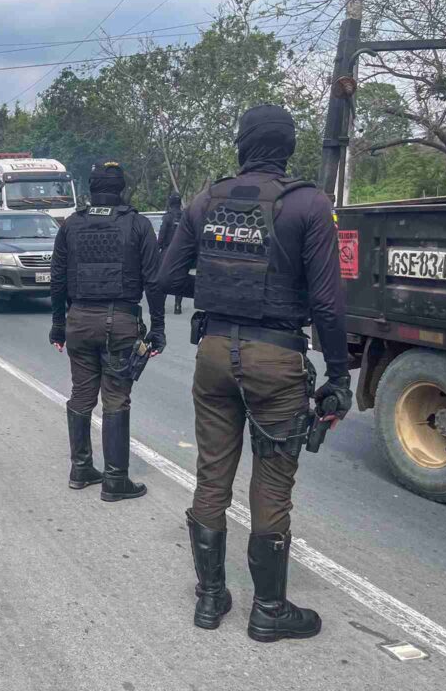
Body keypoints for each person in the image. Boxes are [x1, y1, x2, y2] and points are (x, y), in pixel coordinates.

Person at [158, 104, 352, 641]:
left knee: (211, 475)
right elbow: (329, 304)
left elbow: (167, 275)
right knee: (272, 485)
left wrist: (223, 290)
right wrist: (339, 375)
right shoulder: (309, 203)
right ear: (288, 148)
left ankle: (210, 599)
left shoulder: (206, 200)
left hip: (215, 351)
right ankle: (268, 609)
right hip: (277, 359)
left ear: (241, 146)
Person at [49, 161, 166, 501]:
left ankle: (81, 468)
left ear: (90, 188)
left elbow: (57, 279)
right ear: (122, 189)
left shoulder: (71, 225)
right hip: (120, 322)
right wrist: (157, 328)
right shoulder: (138, 225)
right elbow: (154, 281)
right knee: (116, 397)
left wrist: (58, 324)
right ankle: (115, 480)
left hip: (79, 321)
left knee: (82, 394)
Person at [157, 192, 184, 314]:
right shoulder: (185, 216)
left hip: (167, 251)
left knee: (163, 277)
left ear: (170, 202)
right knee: (179, 278)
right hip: (181, 252)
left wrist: (157, 247)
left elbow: (162, 235)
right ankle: (177, 306)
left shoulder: (167, 217)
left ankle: (160, 305)